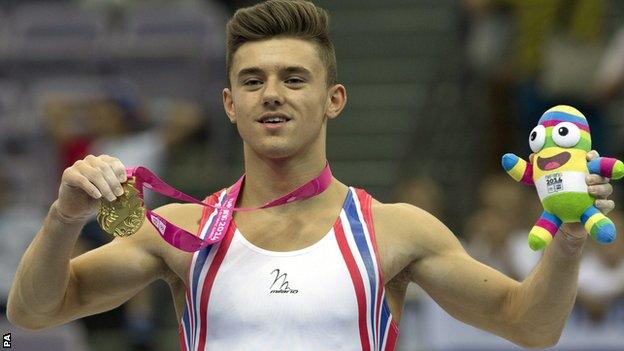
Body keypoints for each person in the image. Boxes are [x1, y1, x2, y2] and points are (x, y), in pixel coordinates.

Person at [6, 1, 616, 350]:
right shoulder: (178, 230)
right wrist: (64, 219)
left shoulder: (395, 231)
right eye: (253, 81)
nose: (272, 94)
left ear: (334, 99)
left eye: (294, 79)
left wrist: (567, 237)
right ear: (229, 104)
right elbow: (33, 313)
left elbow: (529, 326)